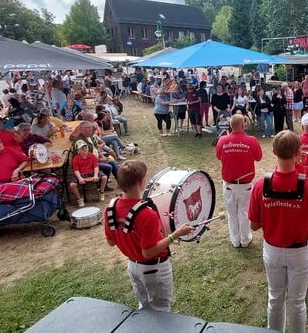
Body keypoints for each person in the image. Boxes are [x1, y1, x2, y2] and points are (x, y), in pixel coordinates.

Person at [248, 130, 308, 333]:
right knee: (296, 301)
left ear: (274, 151)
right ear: (299, 153)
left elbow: (253, 226)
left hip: (272, 250)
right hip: (299, 252)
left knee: (275, 298)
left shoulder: (261, 185)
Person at [104, 160, 194, 312]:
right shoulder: (147, 214)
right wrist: (175, 235)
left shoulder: (111, 207)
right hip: (154, 270)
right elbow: (149, 252)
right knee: (161, 311)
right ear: (141, 181)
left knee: (144, 307)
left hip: (133, 267)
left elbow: (111, 241)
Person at [216, 114, 263, 248]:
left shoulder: (222, 140)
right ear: (243, 125)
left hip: (229, 184)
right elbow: (258, 157)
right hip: (245, 185)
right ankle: (244, 239)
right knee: (244, 212)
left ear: (231, 125)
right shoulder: (252, 140)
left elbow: (219, 156)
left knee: (232, 214)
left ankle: (235, 240)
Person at [69, 140, 107, 207]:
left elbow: (96, 167)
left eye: (85, 147)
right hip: (81, 174)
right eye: (82, 148)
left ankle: (101, 192)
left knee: (104, 177)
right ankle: (79, 199)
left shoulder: (92, 156)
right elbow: (76, 170)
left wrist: (95, 175)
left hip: (92, 172)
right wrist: (80, 178)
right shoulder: (75, 159)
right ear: (78, 151)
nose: (85, 149)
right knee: (72, 185)